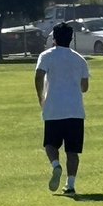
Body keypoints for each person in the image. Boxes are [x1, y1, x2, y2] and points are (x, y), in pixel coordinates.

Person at [34, 22, 90, 196]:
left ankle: (56, 165)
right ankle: (70, 184)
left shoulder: (47, 55)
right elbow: (84, 87)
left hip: (54, 108)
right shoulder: (79, 59)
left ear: (54, 38)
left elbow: (39, 75)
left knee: (50, 144)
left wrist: (40, 96)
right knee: (73, 151)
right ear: (71, 39)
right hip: (75, 110)